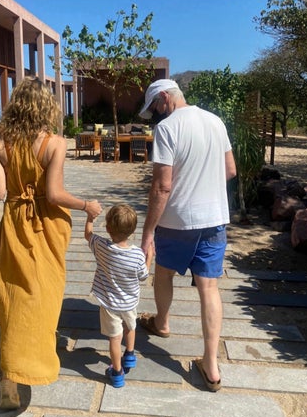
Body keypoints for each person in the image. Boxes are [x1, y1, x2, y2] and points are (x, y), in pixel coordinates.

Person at [0, 79, 103, 409]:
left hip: (14, 225)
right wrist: (86, 205)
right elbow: (54, 195)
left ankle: (8, 377)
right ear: (45, 107)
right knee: (43, 296)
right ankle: (36, 362)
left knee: (13, 296)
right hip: (46, 228)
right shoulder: (55, 143)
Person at [136, 79, 236, 391]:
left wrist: (148, 232)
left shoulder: (167, 129)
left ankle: (162, 323)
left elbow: (162, 186)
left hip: (177, 220)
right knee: (209, 288)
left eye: (155, 107)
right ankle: (211, 365)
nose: (155, 114)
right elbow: (230, 169)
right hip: (214, 218)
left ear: (165, 97)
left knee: (163, 274)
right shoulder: (215, 122)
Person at [84, 204, 149, 388]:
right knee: (130, 327)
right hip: (129, 303)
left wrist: (90, 217)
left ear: (107, 228)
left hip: (109, 304)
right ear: (132, 230)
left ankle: (117, 372)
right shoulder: (137, 254)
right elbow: (143, 276)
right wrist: (149, 258)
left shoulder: (101, 246)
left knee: (114, 338)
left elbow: (88, 234)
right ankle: (129, 354)